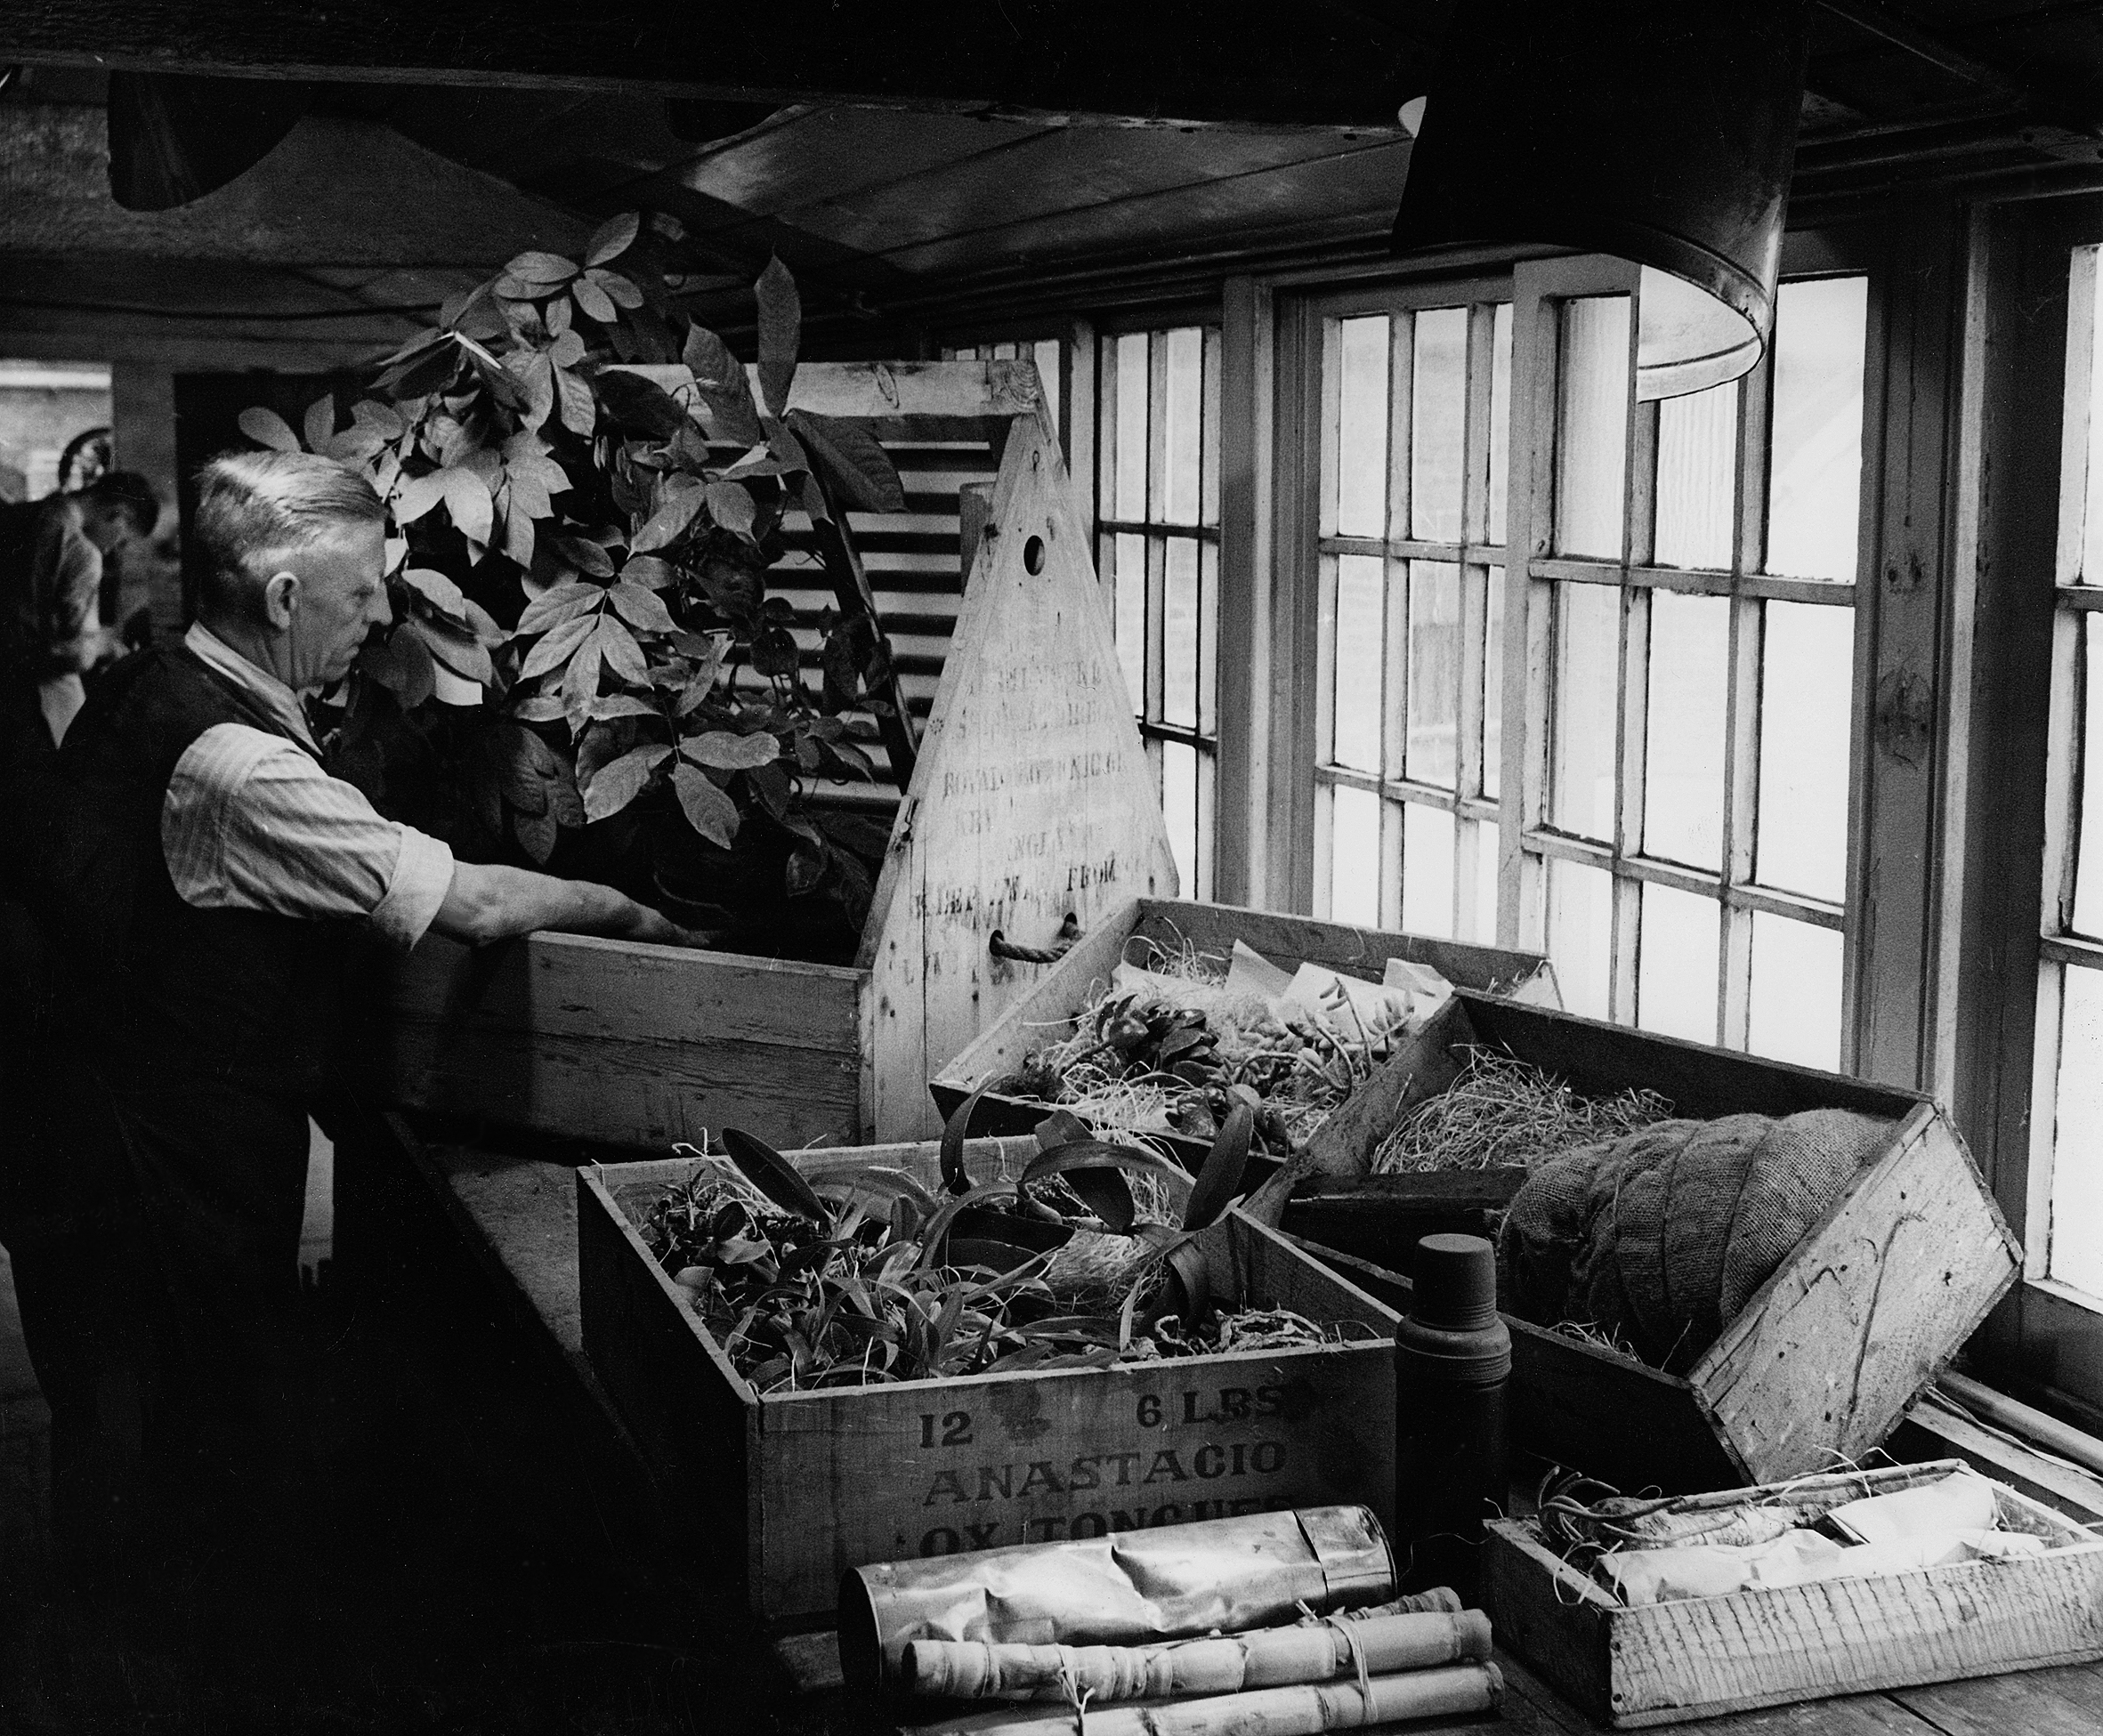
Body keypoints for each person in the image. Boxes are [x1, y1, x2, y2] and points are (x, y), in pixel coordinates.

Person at [4, 448, 699, 1572]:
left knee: (124, 1436)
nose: (384, 617)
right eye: (365, 591)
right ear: (283, 599)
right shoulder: (237, 765)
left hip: (93, 1130)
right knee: (197, 1448)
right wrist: (627, 913)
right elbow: (466, 901)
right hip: (162, 1158)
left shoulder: (144, 678)